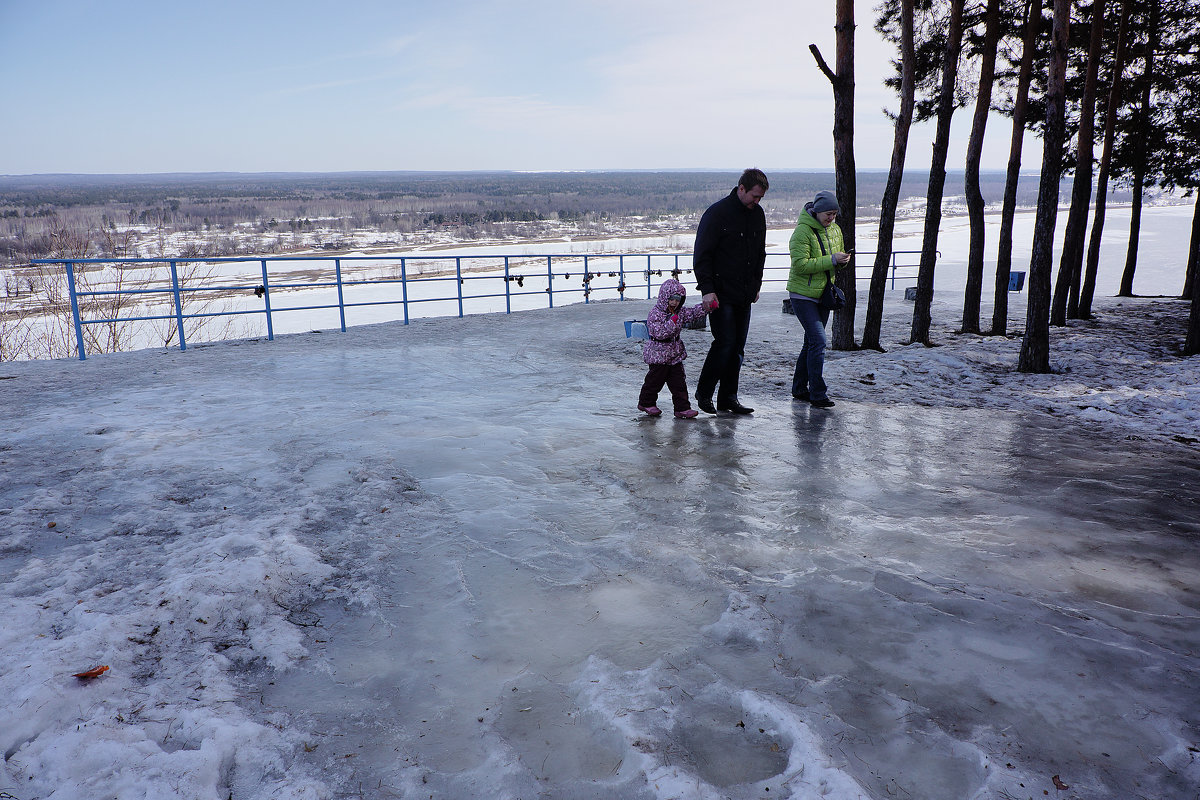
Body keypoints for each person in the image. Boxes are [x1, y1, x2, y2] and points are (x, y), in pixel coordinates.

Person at [693, 168, 769, 415]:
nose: (756, 202)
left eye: (760, 198)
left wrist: (756, 285)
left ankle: (728, 398)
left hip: (744, 293)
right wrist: (707, 290)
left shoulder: (758, 215)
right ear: (741, 188)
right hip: (720, 292)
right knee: (724, 342)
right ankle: (704, 393)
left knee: (737, 347)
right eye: (754, 196)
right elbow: (702, 255)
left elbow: (759, 254)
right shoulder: (717, 214)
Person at [786, 190, 851, 409]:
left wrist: (842, 260)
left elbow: (835, 260)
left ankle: (798, 388)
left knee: (811, 342)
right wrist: (831, 259)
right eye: (828, 214)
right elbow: (801, 265)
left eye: (834, 214)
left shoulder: (835, 230)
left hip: (822, 294)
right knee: (819, 341)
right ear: (817, 211)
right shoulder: (802, 232)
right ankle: (818, 393)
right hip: (802, 294)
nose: (831, 218)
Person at [637, 278, 711, 419]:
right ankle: (646, 402)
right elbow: (658, 332)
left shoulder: (680, 312)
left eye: (678, 300)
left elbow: (692, 313)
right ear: (665, 298)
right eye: (672, 299)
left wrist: (706, 307)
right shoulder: (655, 313)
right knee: (654, 381)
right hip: (658, 355)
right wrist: (672, 322)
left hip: (674, 354)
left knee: (679, 382)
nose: (675, 303)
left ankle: (682, 408)